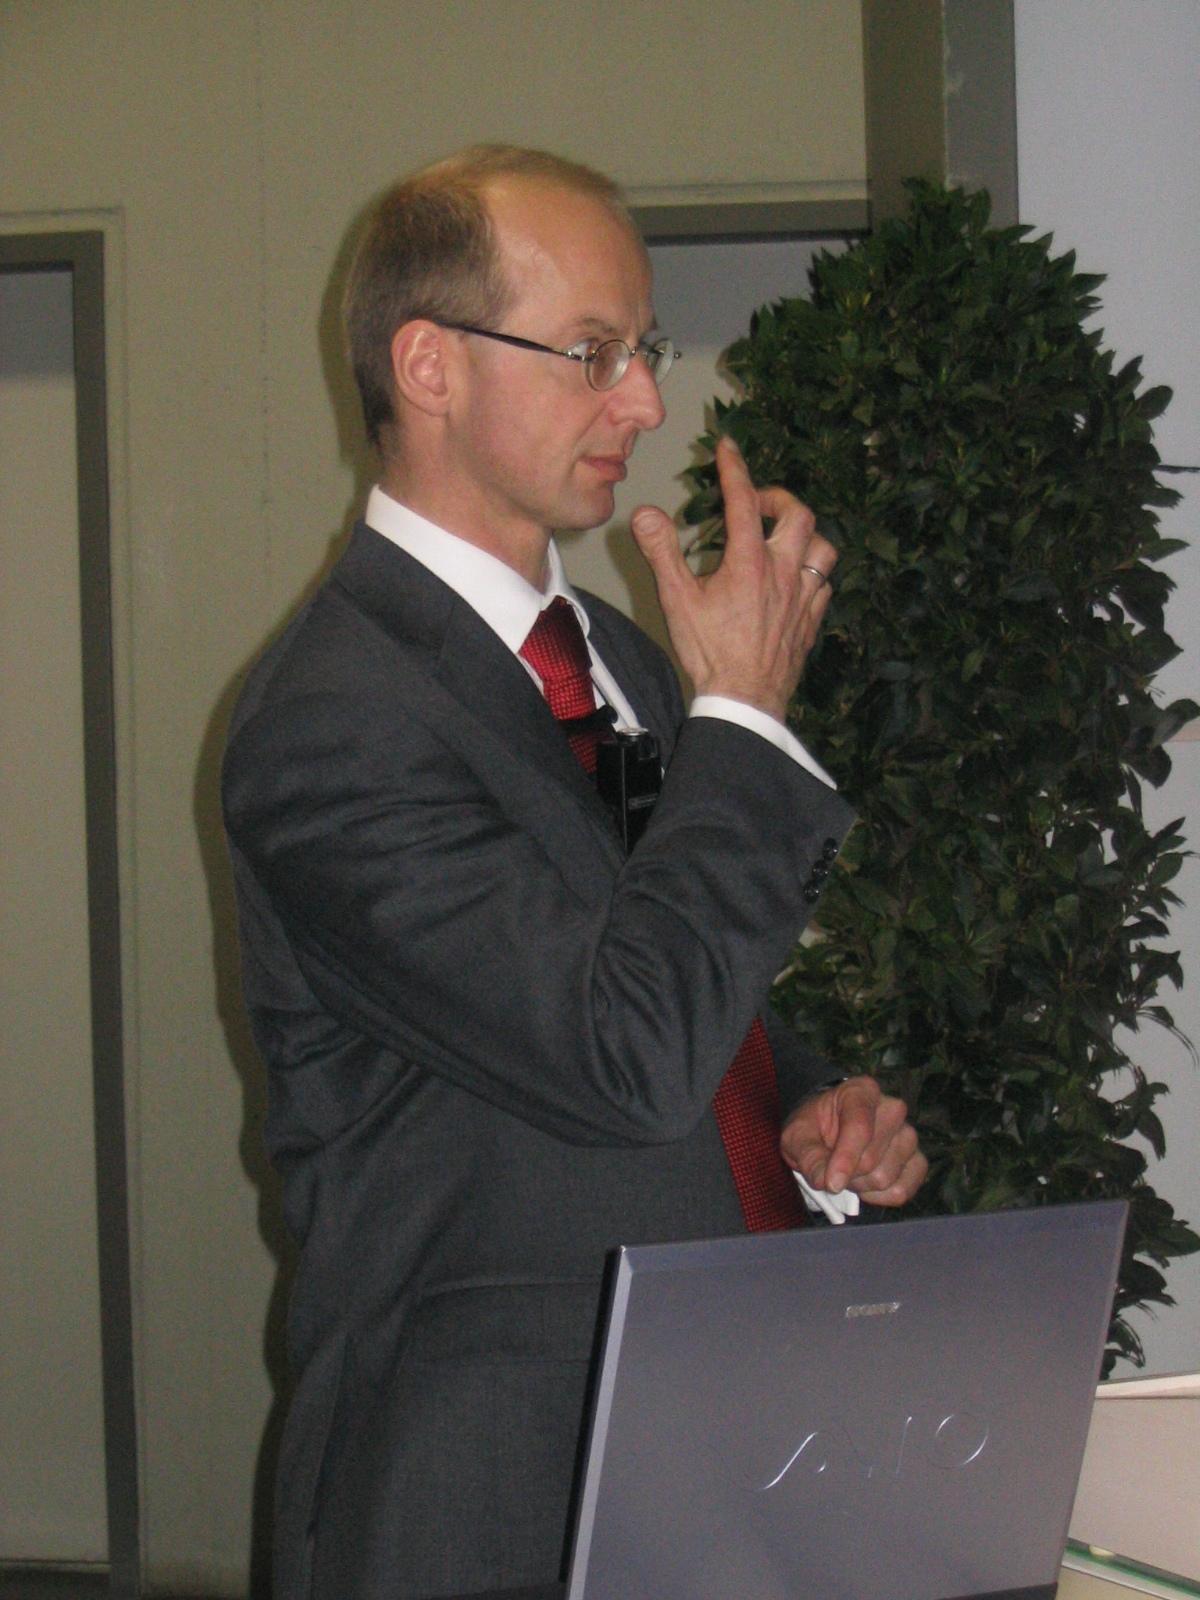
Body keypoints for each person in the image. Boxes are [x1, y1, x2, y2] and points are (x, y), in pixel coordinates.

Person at [222, 144, 927, 1600]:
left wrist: (805, 1104)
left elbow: (670, 983)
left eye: (642, 351)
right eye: (594, 352)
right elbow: (624, 1055)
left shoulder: (608, 660)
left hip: (706, 1448)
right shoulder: (333, 720)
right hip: (489, 1496)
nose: (648, 404)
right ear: (428, 365)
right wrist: (744, 719)